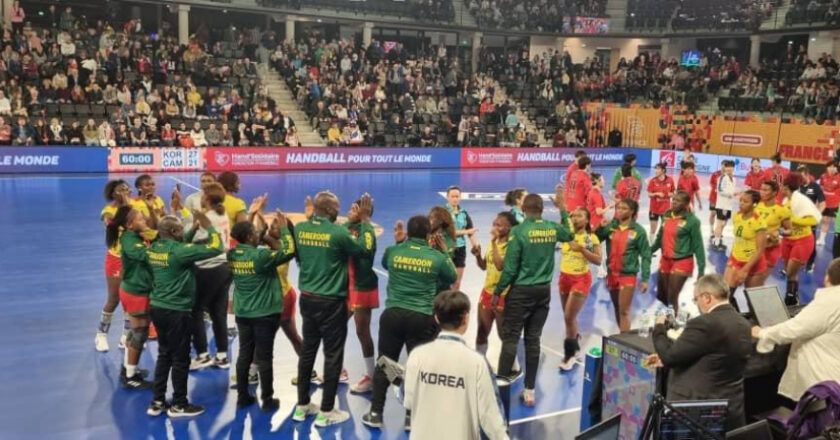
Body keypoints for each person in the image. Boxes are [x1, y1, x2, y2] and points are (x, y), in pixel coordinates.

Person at [361, 216, 458, 429]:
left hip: (393, 314)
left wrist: (399, 242)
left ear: (408, 231)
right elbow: (451, 277)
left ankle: (376, 413)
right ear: (428, 234)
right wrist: (445, 252)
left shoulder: (394, 251)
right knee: (418, 367)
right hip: (421, 318)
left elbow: (386, 263)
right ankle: (411, 416)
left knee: (385, 363)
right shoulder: (436, 257)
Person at [292, 192, 374, 427]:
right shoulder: (338, 232)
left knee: (308, 352)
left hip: (307, 299)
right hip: (331, 303)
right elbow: (364, 250)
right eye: (336, 208)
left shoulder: (300, 229)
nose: (339, 211)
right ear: (328, 210)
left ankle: (302, 406)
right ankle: (327, 410)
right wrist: (365, 221)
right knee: (332, 354)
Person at [493, 190, 573, 407]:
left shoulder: (519, 232)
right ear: (542, 209)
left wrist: (499, 291)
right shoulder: (551, 228)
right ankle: (530, 391)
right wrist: (563, 209)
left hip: (520, 292)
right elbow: (569, 234)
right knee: (533, 340)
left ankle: (499, 391)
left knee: (510, 339)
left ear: (522, 209)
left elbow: (509, 269)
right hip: (543, 292)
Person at [646, 274, 752, 431]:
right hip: (731, 409)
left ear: (707, 297)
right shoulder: (743, 323)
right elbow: (714, 357)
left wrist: (659, 327)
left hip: (698, 415)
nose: (696, 305)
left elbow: (668, 356)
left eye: (696, 300)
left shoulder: (705, 323)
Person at [146, 213, 224, 418]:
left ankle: (157, 401)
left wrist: (190, 231)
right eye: (180, 228)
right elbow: (217, 247)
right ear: (173, 232)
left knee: (164, 354)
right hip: (177, 311)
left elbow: (180, 249)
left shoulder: (155, 248)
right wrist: (209, 228)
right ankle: (179, 404)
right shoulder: (180, 252)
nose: (183, 231)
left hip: (157, 307)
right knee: (181, 358)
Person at [404, 290, 509, 440]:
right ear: (466, 318)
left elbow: (408, 400)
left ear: (436, 318)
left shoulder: (417, 355)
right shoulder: (477, 363)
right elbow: (490, 416)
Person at [228, 217, 295, 410]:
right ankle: (267, 399)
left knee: (244, 355)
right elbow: (289, 251)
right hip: (264, 313)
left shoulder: (232, 254)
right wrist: (285, 231)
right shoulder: (261, 257)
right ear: (250, 237)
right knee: (265, 357)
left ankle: (242, 397)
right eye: (256, 233)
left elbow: (243, 238)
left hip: (243, 313)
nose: (259, 234)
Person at [753, 258, 840, 402]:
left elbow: (794, 329)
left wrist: (762, 333)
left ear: (827, 278)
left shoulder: (831, 301)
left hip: (824, 385)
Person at [176, 183, 233, 370]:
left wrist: (183, 215)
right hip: (223, 268)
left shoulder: (207, 219)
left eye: (203, 195)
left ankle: (202, 355)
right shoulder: (221, 214)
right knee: (218, 313)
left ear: (206, 199)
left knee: (196, 311)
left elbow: (188, 238)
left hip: (206, 269)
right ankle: (223, 356)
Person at [107, 206, 156, 389]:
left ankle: (129, 368)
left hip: (136, 290)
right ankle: (130, 377)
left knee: (135, 332)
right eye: (141, 219)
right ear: (129, 225)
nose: (145, 222)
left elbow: (155, 231)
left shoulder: (136, 235)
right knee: (140, 333)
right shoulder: (129, 240)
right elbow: (144, 255)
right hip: (136, 292)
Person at [472, 211, 519, 376]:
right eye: (495, 224)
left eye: (499, 225)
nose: (495, 227)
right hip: (487, 292)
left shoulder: (512, 246)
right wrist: (478, 256)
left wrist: (493, 243)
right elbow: (485, 266)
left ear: (510, 227)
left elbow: (500, 266)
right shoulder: (494, 243)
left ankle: (513, 365)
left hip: (503, 295)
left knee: (502, 334)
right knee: (482, 331)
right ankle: (480, 362)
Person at [595, 199, 651, 332]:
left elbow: (646, 255)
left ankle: (624, 342)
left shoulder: (639, 231)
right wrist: (601, 227)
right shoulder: (611, 226)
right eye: (618, 208)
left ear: (632, 211)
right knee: (617, 307)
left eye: (624, 208)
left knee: (624, 311)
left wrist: (645, 279)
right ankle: (622, 337)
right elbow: (595, 239)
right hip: (611, 274)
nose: (619, 210)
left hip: (627, 275)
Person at [557, 208, 601, 371]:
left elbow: (598, 260)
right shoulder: (566, 235)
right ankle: (575, 342)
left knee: (569, 317)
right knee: (569, 317)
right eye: (573, 215)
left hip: (580, 279)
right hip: (564, 278)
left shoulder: (591, 238)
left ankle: (570, 355)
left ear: (587, 220)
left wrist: (582, 249)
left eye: (580, 216)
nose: (575, 218)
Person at [344, 200, 379, 393]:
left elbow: (365, 249)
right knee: (336, 327)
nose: (350, 212)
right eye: (351, 208)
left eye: (354, 209)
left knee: (361, 331)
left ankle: (371, 376)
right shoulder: (346, 227)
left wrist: (365, 220)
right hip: (345, 285)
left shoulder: (367, 230)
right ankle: (338, 369)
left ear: (364, 213)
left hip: (361, 286)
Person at [651, 191, 706, 313]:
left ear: (686, 204)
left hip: (683, 261)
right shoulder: (666, 215)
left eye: (678, 201)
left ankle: (672, 326)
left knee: (671, 297)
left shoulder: (692, 221)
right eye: (673, 200)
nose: (674, 203)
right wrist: (648, 252)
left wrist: (701, 270)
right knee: (662, 296)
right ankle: (679, 316)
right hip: (665, 260)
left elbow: (698, 246)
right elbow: (660, 238)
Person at [96, 180, 132, 352]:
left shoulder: (136, 207)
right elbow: (112, 225)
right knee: (114, 299)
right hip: (116, 258)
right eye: (121, 190)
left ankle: (126, 335)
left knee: (130, 299)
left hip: (134, 259)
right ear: (113, 194)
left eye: (127, 188)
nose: (125, 191)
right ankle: (101, 334)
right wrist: (126, 207)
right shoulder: (108, 211)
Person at [780, 173, 821, 305]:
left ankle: (791, 297)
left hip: (802, 239)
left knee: (791, 271)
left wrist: (793, 220)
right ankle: (791, 296)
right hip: (788, 239)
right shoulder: (785, 201)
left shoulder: (802, 200)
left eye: (782, 185)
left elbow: (814, 219)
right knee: (789, 272)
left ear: (786, 186)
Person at [724, 191, 767, 310]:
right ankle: (736, 320)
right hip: (736, 259)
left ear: (754, 204)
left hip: (753, 264)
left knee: (754, 302)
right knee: (726, 296)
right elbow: (737, 240)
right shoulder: (737, 216)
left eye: (745, 201)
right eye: (740, 200)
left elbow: (760, 250)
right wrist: (731, 258)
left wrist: (745, 269)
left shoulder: (759, 222)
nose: (741, 203)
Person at [445, 186, 478, 291]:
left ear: (460, 197)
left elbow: (471, 231)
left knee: (457, 282)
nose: (455, 199)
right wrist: (466, 231)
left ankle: (454, 306)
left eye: (457, 196)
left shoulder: (463, 213)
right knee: (444, 282)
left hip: (460, 250)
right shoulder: (443, 212)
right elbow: (449, 232)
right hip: (445, 250)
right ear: (447, 197)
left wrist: (475, 246)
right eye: (452, 196)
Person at [756, 181, 787, 282]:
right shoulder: (756, 205)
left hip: (771, 248)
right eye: (761, 189)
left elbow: (790, 229)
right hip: (754, 247)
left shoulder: (781, 209)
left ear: (774, 193)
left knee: (760, 281)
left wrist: (779, 232)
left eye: (765, 190)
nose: (762, 192)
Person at [798, 165, 826, 272]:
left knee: (811, 243)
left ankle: (810, 264)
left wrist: (817, 214)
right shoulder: (798, 186)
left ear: (807, 175)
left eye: (802, 177)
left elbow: (823, 204)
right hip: (798, 219)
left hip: (810, 220)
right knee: (797, 241)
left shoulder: (815, 187)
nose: (800, 180)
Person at [713, 160, 737, 250]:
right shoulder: (722, 177)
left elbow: (732, 191)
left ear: (734, 168)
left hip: (729, 206)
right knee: (720, 223)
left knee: (724, 224)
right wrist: (731, 194)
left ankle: (717, 240)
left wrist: (735, 193)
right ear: (725, 168)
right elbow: (720, 190)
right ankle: (716, 242)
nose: (729, 168)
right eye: (727, 167)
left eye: (731, 167)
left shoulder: (734, 179)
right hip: (722, 205)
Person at [647, 163, 675, 239]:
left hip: (666, 210)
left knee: (665, 230)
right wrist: (656, 193)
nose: (656, 170)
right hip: (654, 209)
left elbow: (673, 193)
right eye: (656, 169)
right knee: (653, 230)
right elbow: (649, 194)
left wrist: (670, 194)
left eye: (658, 169)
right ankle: (651, 245)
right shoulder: (653, 181)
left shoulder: (670, 180)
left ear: (663, 170)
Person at [819, 162, 840, 247]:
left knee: (836, 223)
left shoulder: (839, 177)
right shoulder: (823, 176)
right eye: (829, 167)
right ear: (826, 168)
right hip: (825, 203)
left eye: (832, 167)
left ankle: (838, 240)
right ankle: (821, 239)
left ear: (835, 168)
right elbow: (821, 187)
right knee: (824, 221)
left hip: (835, 204)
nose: (831, 168)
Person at [709, 163, 724, 234]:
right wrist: (716, 187)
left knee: (721, 215)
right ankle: (711, 228)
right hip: (713, 197)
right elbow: (711, 183)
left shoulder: (728, 176)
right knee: (713, 213)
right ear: (721, 166)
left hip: (723, 199)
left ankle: (718, 230)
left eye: (725, 166)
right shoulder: (715, 174)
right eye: (723, 166)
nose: (724, 168)